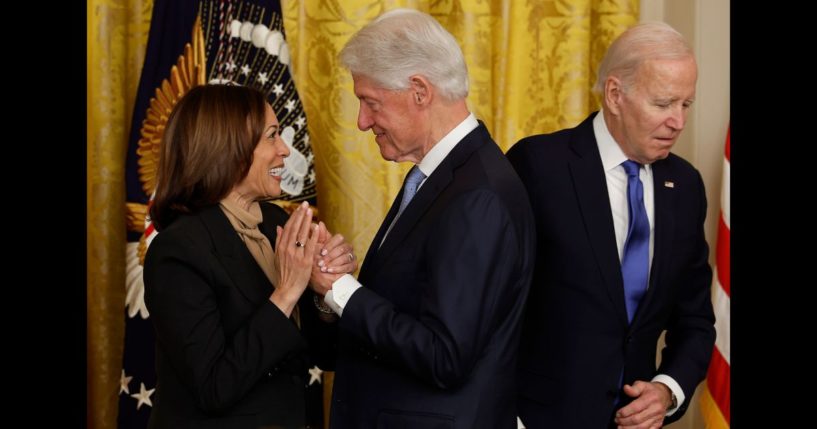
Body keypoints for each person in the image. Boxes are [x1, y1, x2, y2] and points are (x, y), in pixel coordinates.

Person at [313, 8, 536, 429]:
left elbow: (444, 356)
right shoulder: (444, 177)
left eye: (370, 102)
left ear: (419, 90)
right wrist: (330, 297)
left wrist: (340, 289)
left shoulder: (477, 195)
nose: (362, 121)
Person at [507, 22, 716, 428]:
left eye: (686, 105)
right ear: (616, 95)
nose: (678, 121)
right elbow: (491, 306)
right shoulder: (539, 166)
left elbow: (694, 320)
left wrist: (667, 388)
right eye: (663, 103)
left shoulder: (685, 185)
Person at [143, 84, 354, 429]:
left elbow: (325, 355)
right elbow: (214, 386)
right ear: (228, 149)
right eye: (272, 136)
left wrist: (323, 293)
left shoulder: (276, 223)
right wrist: (287, 291)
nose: (285, 150)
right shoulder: (178, 251)